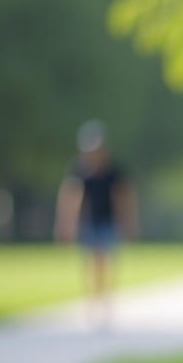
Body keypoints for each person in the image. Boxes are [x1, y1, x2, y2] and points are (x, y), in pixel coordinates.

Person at [54, 119, 138, 330]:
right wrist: (65, 225)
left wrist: (129, 223)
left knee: (106, 262)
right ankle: (94, 302)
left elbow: (124, 197)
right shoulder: (79, 170)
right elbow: (71, 198)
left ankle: (104, 302)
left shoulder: (114, 170)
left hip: (108, 222)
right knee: (92, 263)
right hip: (90, 222)